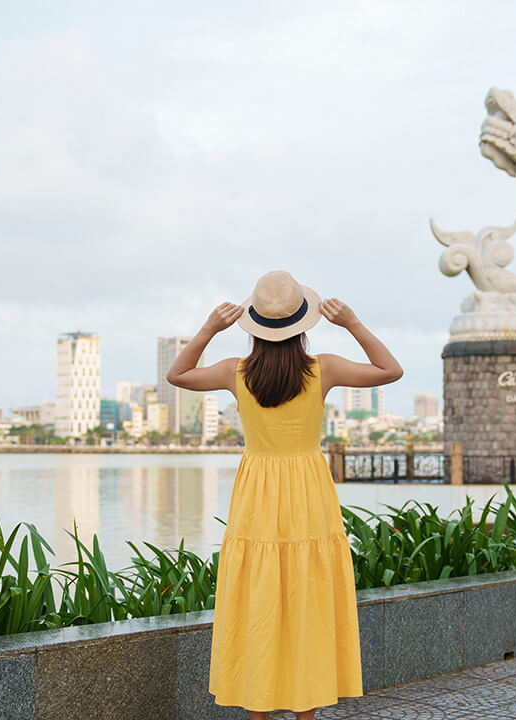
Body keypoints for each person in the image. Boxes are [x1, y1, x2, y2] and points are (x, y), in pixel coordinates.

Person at [166, 270, 403, 720]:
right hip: (308, 493)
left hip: (257, 495)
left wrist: (209, 329)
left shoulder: (236, 372)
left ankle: (258, 711)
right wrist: (352, 322)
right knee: (307, 600)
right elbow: (390, 370)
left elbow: (177, 375)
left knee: (259, 601)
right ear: (303, 324)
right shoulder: (323, 368)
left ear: (253, 323)